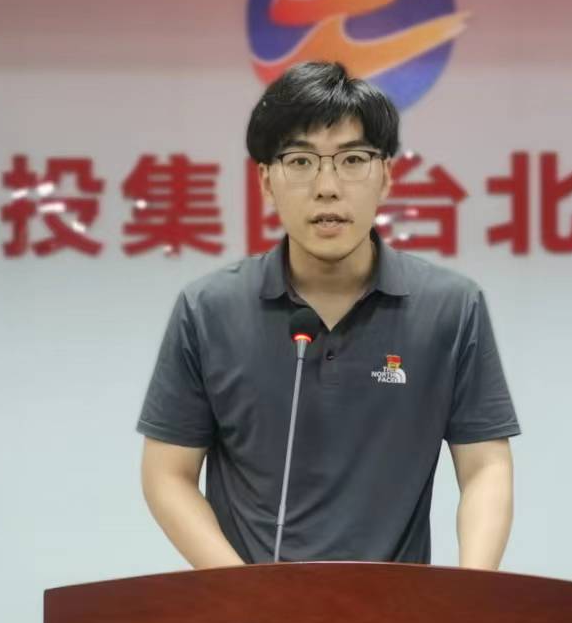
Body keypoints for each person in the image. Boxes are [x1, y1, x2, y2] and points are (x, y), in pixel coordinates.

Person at [137, 61, 518, 569]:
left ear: (386, 176)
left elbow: (485, 466)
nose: (327, 187)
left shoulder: (450, 307)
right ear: (266, 181)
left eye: (353, 159)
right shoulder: (208, 310)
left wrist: (471, 592)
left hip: (400, 611)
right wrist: (241, 594)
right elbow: (168, 474)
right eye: (300, 161)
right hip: (251, 611)